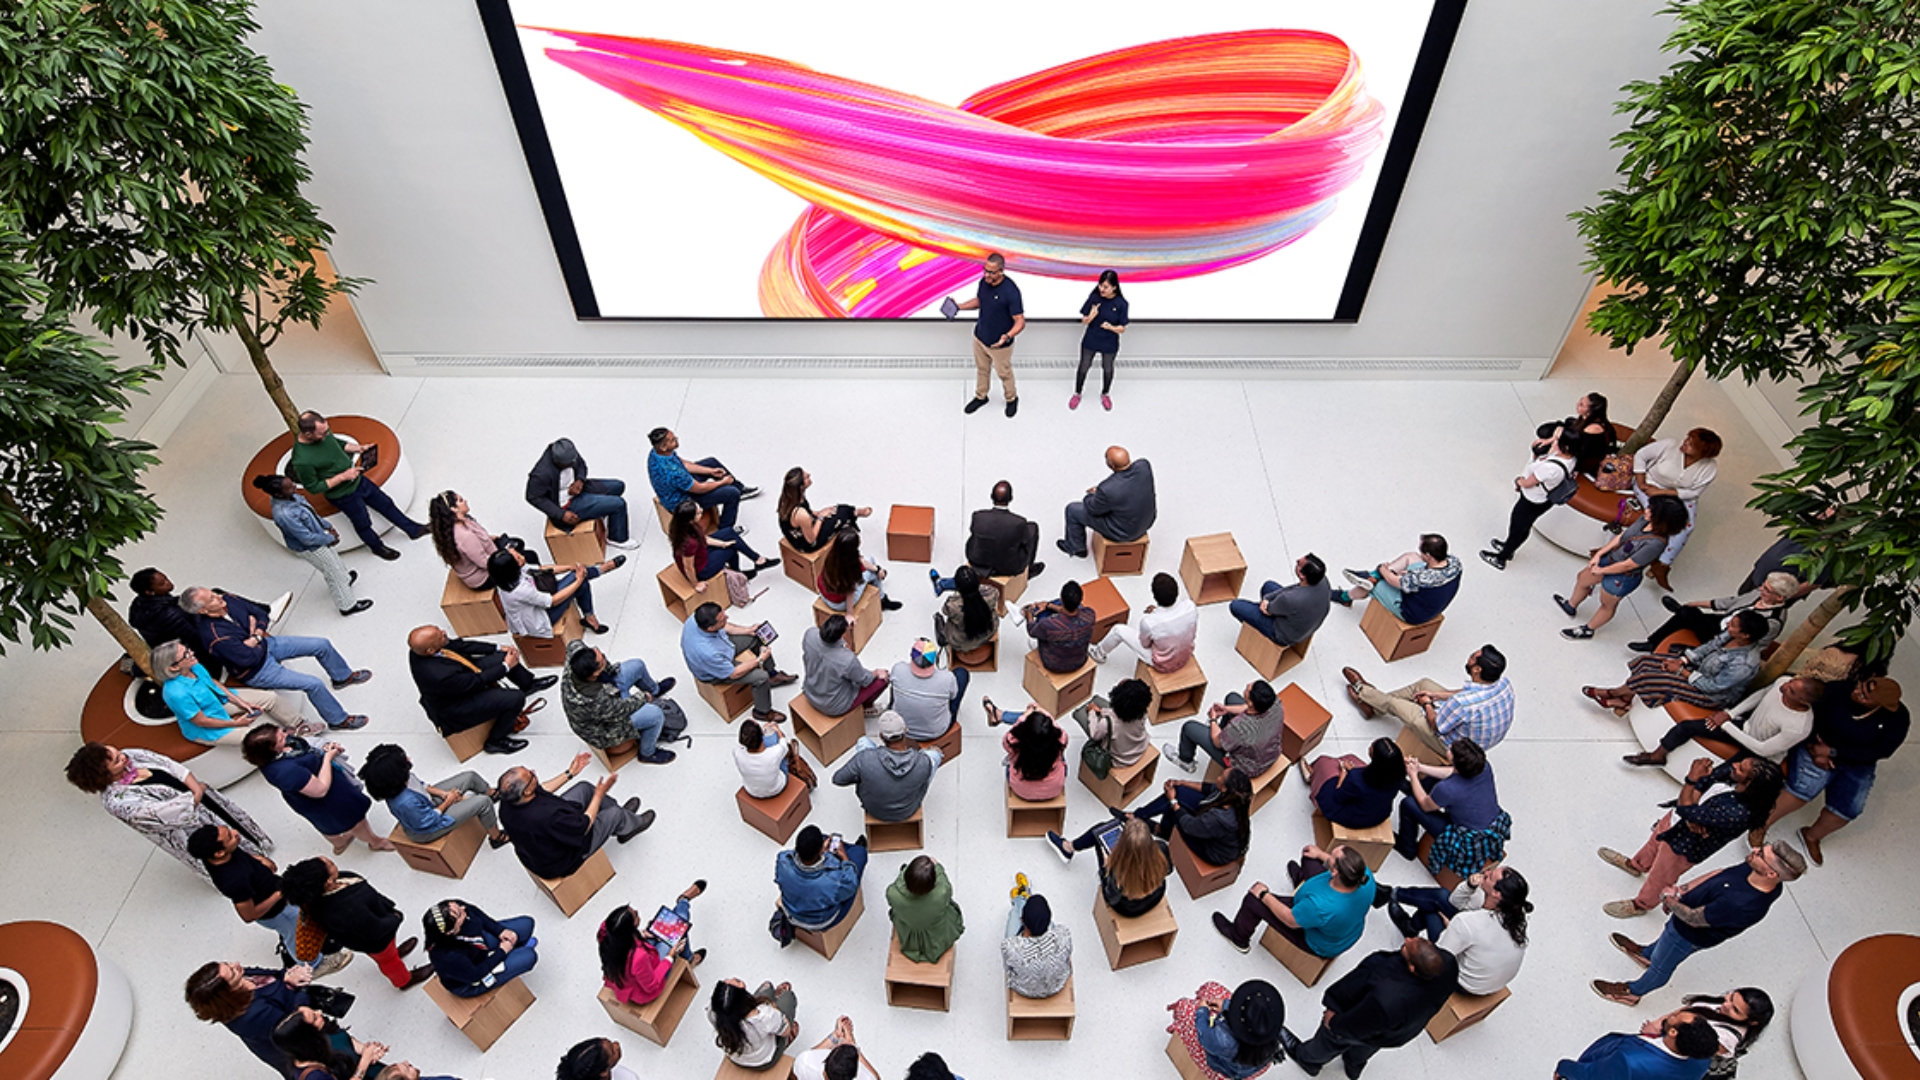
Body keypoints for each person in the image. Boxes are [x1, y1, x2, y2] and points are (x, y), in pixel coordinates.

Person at [1593, 841, 1806, 1005]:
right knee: (1665, 940)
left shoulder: (1742, 904)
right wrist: (1680, 891)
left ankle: (1633, 992)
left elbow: (1694, 919)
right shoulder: (1756, 870)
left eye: (1761, 854)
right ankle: (1646, 954)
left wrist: (1669, 900)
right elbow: (1719, 874)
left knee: (1662, 967)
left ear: (1771, 873)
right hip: (1680, 921)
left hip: (1688, 935)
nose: (1756, 848)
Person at [1598, 757, 1786, 918]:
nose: (1734, 765)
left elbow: (1690, 800)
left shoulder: (1739, 813)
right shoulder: (1729, 778)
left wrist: (1691, 784)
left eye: (1741, 768)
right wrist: (1691, 810)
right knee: (1652, 844)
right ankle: (1636, 865)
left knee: (1661, 877)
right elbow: (1702, 785)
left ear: (1750, 783)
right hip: (1674, 822)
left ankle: (1641, 904)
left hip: (1684, 846)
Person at [66, 742, 272, 882]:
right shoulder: (117, 801)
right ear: (103, 775)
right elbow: (163, 813)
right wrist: (194, 797)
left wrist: (195, 788)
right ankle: (253, 871)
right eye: (117, 761)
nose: (124, 757)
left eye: (117, 752)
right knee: (219, 847)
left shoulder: (131, 755)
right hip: (187, 826)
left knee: (230, 819)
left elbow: (169, 765)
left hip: (198, 796)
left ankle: (258, 845)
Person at [1763, 674, 1907, 865]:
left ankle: (1812, 836)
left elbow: (1881, 751)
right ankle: (1761, 825)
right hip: (1816, 743)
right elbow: (1807, 713)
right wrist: (1816, 750)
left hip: (1854, 759)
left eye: (1864, 696)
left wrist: (1833, 753)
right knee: (1805, 787)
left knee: (1850, 807)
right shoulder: (1838, 690)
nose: (1857, 692)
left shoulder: (1898, 720)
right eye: (1860, 686)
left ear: (1880, 705)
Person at [184, 585, 371, 729]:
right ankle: (338, 720)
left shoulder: (227, 599)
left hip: (265, 645)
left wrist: (254, 636)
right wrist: (254, 633)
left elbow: (261, 613)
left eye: (213, 593)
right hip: (257, 670)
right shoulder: (214, 636)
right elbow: (247, 659)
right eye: (212, 598)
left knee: (321, 644)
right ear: (202, 611)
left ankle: (342, 677)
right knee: (313, 684)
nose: (219, 596)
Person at [1277, 938, 1460, 1078]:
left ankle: (1308, 1060)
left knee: (1332, 1040)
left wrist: (1334, 1022)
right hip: (1398, 1031)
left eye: (1408, 947)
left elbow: (1354, 1021)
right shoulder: (1449, 965)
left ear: (1412, 968)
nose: (1407, 939)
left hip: (1364, 1020)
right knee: (1369, 1044)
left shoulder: (1385, 990)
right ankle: (1353, 1064)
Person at [189, 824, 349, 973]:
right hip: (277, 913)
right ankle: (313, 965)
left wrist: (259, 860)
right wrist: (281, 893)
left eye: (230, 831)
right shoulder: (233, 881)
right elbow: (249, 915)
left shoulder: (227, 853)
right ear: (219, 853)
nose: (235, 833)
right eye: (230, 837)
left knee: (307, 918)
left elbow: (242, 858)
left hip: (279, 892)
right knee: (295, 933)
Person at [287, 411, 427, 560]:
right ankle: (377, 547)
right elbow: (313, 487)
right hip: (343, 496)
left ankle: (413, 530)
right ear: (308, 434)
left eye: (327, 430)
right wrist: (343, 477)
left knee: (386, 504)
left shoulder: (324, 433)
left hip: (359, 479)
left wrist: (359, 448)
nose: (327, 434)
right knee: (363, 523)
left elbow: (337, 444)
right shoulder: (302, 461)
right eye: (322, 433)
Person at [279, 857, 432, 990]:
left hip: (376, 923)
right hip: (378, 941)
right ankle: (403, 980)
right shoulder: (344, 910)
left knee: (389, 953)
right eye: (330, 864)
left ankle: (394, 954)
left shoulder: (329, 887)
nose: (326, 860)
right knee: (387, 961)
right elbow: (375, 930)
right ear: (328, 882)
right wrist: (396, 918)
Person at [496, 753, 654, 879]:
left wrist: (570, 773)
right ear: (527, 791)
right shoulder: (546, 817)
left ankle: (623, 821)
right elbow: (583, 826)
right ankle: (629, 826)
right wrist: (598, 795)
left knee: (584, 788)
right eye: (531, 775)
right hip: (564, 857)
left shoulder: (508, 801)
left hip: (547, 839)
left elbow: (542, 789)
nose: (533, 771)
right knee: (614, 813)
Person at [1380, 864, 1531, 995]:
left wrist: (1451, 929)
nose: (1486, 873)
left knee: (1432, 912)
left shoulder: (1468, 923)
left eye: (1491, 876)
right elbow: (1454, 902)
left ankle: (1391, 900)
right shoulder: (1514, 913)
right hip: (1490, 981)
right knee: (1441, 897)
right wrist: (1469, 887)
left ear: (1496, 894)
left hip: (1463, 984)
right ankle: (1396, 902)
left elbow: (1439, 955)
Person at [1581, 611, 1767, 716]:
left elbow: (1714, 686)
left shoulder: (1744, 664)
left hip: (1711, 694)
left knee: (1651, 677)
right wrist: (1683, 660)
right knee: (1646, 660)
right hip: (1699, 671)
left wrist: (1681, 672)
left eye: (1733, 626)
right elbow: (1709, 647)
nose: (1728, 627)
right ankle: (1624, 698)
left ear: (1745, 636)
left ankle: (1613, 693)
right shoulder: (1731, 635)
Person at [1557, 495, 1692, 638]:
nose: (1646, 510)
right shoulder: (1644, 520)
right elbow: (1623, 536)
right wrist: (1600, 554)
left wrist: (1601, 570)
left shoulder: (1656, 544)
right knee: (1583, 578)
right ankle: (1571, 605)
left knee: (1606, 604)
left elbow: (1628, 565)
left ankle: (1588, 629)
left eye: (1651, 510)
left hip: (1623, 577)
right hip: (1611, 559)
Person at [243, 726, 393, 854]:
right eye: (281, 738)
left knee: (325, 823)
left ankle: (339, 843)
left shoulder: (272, 758)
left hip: (307, 799)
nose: (287, 736)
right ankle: (375, 842)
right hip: (328, 798)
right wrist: (328, 758)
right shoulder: (286, 772)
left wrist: (324, 748)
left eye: (282, 732)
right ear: (271, 750)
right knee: (355, 820)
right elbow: (320, 789)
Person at [1343, 646, 1514, 757]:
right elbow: (1470, 692)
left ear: (1477, 669)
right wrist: (1437, 695)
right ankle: (1373, 705)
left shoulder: (1462, 703)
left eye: (1472, 657)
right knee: (1423, 684)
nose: (1468, 658)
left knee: (1397, 705)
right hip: (1470, 735)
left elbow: (1436, 725)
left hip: (1452, 747)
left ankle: (1363, 691)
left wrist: (1427, 703)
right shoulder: (1503, 683)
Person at [1621, 674, 1821, 767]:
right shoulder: (1782, 682)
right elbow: (1761, 695)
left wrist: (1724, 724)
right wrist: (1730, 715)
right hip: (1744, 728)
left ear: (1803, 700)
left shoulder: (1799, 727)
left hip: (1759, 753)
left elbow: (1763, 749)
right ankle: (1657, 755)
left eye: (1791, 690)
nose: (1785, 687)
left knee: (1723, 775)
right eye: (1791, 682)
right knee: (1687, 726)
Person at [1212, 844, 1373, 959]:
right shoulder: (1365, 875)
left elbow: (1290, 919)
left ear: (1335, 872)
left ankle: (1238, 938)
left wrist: (1264, 895)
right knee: (1310, 856)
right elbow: (1328, 862)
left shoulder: (1321, 906)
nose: (1328, 856)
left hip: (1318, 940)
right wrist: (1320, 855)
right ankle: (1301, 883)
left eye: (1331, 856)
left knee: (1253, 900)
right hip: (1344, 926)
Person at [407, 624, 548, 755]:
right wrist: (506, 666)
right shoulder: (438, 675)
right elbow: (477, 681)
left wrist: (498, 648)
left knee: (502, 657)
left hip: (462, 675)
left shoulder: (422, 649)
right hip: (458, 705)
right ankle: (496, 740)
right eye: (440, 636)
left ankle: (528, 684)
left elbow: (461, 646)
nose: (444, 633)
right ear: (430, 650)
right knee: (515, 698)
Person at [151, 640, 318, 745]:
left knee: (270, 698)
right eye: (185, 654)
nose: (192, 653)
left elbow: (212, 683)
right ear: (173, 667)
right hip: (207, 726)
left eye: (187, 649)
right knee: (255, 737)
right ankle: (287, 747)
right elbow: (202, 721)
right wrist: (236, 724)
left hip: (219, 701)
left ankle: (299, 725)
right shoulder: (175, 693)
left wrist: (240, 702)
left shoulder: (194, 666)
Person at [254, 474, 373, 616]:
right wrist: (329, 538)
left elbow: (312, 514)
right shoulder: (284, 514)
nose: (294, 487)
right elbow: (307, 539)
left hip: (318, 538)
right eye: (290, 487)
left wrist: (327, 526)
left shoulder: (290, 497)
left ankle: (345, 580)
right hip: (310, 547)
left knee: (334, 561)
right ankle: (347, 605)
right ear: (279, 493)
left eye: (292, 483)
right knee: (332, 571)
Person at [1394, 738, 1510, 881]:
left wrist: (1413, 775)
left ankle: (1407, 847)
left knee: (1409, 804)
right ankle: (1416, 788)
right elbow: (1451, 772)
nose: (1449, 746)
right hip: (1488, 823)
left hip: (1466, 838)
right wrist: (1420, 768)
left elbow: (1425, 805)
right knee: (1432, 780)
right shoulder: (1483, 767)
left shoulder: (1448, 789)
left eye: (1451, 749)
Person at [184, 961, 323, 1078]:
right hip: (304, 1047)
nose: (236, 965)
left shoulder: (241, 977)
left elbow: (274, 975)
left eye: (228, 964)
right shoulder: (250, 1016)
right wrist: (301, 989)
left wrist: (287, 976)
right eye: (232, 972)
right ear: (228, 994)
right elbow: (297, 1024)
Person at [359, 744, 509, 848]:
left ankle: (493, 794)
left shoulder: (401, 778)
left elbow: (423, 786)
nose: (409, 759)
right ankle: (496, 838)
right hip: (428, 827)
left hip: (429, 804)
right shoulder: (405, 803)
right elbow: (428, 821)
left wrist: (445, 794)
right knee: (482, 803)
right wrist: (448, 801)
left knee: (469, 776)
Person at [1633, 428, 1723, 589]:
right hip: (1651, 484)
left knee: (1688, 526)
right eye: (1687, 438)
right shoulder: (1669, 445)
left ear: (1703, 453)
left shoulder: (1710, 468)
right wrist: (1641, 483)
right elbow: (1641, 455)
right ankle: (1640, 554)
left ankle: (1662, 564)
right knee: (1659, 516)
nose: (1685, 443)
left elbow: (1694, 491)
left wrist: (1664, 492)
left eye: (1691, 444)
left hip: (1680, 494)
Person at [564, 640, 679, 765]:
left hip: (606, 689)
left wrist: (608, 669)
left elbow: (573, 643)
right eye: (602, 660)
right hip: (603, 727)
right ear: (596, 673)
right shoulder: (594, 700)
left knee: (637, 665)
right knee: (655, 714)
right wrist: (643, 697)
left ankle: (654, 690)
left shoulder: (576, 652)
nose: (603, 655)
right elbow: (623, 708)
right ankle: (647, 753)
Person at [681, 603, 799, 723]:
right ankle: (762, 712)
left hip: (723, 647)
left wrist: (748, 631)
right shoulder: (706, 652)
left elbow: (726, 627)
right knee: (761, 677)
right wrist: (760, 659)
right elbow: (733, 673)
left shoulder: (696, 618)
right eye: (722, 619)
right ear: (711, 628)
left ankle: (772, 675)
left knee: (758, 637)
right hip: (716, 671)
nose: (727, 617)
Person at [1481, 432, 1581, 571]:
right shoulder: (1571, 460)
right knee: (1524, 526)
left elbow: (1528, 483)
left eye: (1557, 440)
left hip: (1532, 500)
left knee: (1518, 527)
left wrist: (1519, 481)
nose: (1554, 441)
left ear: (1565, 446)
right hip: (1543, 500)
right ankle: (1509, 547)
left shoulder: (1550, 468)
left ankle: (1501, 557)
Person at [1630, 573, 1798, 654]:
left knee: (1687, 615)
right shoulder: (1757, 593)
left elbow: (1757, 646)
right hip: (1723, 620)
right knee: (1688, 611)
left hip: (1727, 636)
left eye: (1767, 589)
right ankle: (1654, 641)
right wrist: (1695, 603)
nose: (1761, 589)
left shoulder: (1773, 621)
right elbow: (1729, 602)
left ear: (1780, 597)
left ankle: (1685, 621)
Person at [270, 1005, 451, 1079]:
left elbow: (346, 1040)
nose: (319, 1012)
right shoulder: (313, 1075)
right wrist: (363, 1062)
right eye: (314, 1018)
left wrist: (368, 1050)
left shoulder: (324, 1031)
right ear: (306, 1035)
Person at [600, 885, 709, 1007]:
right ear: (629, 930)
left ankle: (683, 901)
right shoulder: (638, 957)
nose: (637, 911)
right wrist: (670, 956)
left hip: (629, 972)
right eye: (635, 915)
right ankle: (683, 902)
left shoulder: (606, 934)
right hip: (644, 989)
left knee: (673, 929)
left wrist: (642, 934)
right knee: (678, 926)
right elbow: (651, 986)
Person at [1046, 814, 1172, 917]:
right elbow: (1169, 870)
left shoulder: (1116, 871)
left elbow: (1111, 897)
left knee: (1100, 833)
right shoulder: (1161, 848)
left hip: (1127, 908)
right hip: (1156, 896)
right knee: (1104, 828)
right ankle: (1069, 847)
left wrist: (1107, 868)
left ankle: (1068, 848)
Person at [488, 545, 622, 638]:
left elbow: (541, 569)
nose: (522, 556)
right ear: (511, 568)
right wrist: (578, 580)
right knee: (579, 582)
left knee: (578, 579)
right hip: (541, 618)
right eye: (518, 558)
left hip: (540, 601)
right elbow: (552, 601)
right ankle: (600, 570)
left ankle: (590, 618)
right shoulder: (520, 591)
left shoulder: (506, 577)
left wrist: (570, 567)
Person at [1129, 769, 1255, 868]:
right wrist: (1182, 783)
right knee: (1179, 791)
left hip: (1211, 851)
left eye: (1221, 777)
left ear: (1225, 788)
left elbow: (1189, 826)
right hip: (1211, 828)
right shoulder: (1232, 797)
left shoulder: (1219, 819)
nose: (1218, 777)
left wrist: (1173, 801)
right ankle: (1142, 817)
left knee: (1173, 810)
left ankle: (1157, 828)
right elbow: (1206, 788)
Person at [526, 436, 634, 549]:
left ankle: (604, 511)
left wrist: (580, 480)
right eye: (568, 464)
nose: (572, 464)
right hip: (566, 504)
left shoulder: (569, 452)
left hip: (579, 489)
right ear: (557, 462)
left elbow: (581, 465)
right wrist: (561, 514)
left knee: (618, 486)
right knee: (619, 504)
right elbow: (533, 497)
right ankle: (617, 538)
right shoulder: (541, 474)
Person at [1167, 979, 1286, 1080]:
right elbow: (1251, 1016)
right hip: (1250, 1063)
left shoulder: (1223, 1041)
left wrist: (1202, 1010)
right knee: (1211, 988)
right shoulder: (1268, 1027)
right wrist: (1225, 1005)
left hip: (1223, 1069)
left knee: (1184, 1008)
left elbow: (1204, 1034)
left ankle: (1180, 1029)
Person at [832, 712, 940, 822]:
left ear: (881, 736)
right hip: (908, 810)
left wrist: (865, 774)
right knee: (935, 755)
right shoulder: (923, 761)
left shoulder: (864, 759)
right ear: (906, 731)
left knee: (863, 741)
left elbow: (838, 779)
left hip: (874, 810)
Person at [1164, 681, 1285, 777]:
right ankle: (1221, 730)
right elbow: (1246, 708)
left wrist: (1213, 720)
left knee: (1189, 728)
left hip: (1248, 768)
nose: (1248, 685)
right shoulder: (1275, 704)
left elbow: (1217, 742)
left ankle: (1185, 761)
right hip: (1270, 752)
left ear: (1252, 703)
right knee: (1232, 697)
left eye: (1249, 689)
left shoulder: (1241, 728)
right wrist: (1226, 709)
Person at [953, 253, 1024, 416]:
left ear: (1001, 271)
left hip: (1000, 344)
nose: (987, 275)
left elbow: (1020, 321)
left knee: (1004, 374)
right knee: (982, 370)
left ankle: (1011, 399)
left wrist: (1007, 336)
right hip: (980, 337)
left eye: (991, 272)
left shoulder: (1011, 291)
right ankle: (981, 396)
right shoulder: (984, 282)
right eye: (985, 270)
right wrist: (959, 307)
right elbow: (980, 300)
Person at [422, 899, 539, 997]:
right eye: (460, 914)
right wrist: (502, 952)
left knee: (526, 924)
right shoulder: (448, 957)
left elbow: (474, 911)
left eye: (459, 907)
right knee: (529, 956)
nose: (463, 909)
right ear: (450, 931)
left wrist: (499, 930)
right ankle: (515, 952)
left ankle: (516, 949)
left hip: (477, 946)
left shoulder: (453, 908)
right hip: (472, 979)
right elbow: (476, 974)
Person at [1334, 535, 1462, 622]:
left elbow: (1393, 580)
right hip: (1429, 600)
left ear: (1428, 556)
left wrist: (1382, 569)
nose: (1420, 552)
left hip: (1413, 612)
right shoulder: (1455, 563)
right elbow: (1425, 576)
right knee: (1410, 557)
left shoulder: (1419, 578)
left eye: (1421, 551)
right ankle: (1371, 577)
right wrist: (1405, 574)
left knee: (1378, 583)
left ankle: (1345, 597)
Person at [646, 427, 757, 527]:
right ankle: (725, 529)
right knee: (732, 493)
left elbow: (683, 464)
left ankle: (739, 488)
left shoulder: (657, 453)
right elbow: (699, 488)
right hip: (684, 501)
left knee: (711, 462)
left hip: (679, 487)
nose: (676, 439)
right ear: (663, 446)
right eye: (673, 440)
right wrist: (723, 482)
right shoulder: (673, 472)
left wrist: (711, 471)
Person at [1059, 445, 1156, 557]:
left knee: (1072, 510)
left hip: (1123, 532)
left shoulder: (1107, 489)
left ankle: (1076, 548)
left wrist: (1091, 496)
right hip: (1146, 522)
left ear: (1111, 465)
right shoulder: (1144, 466)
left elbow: (1093, 509)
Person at [1556, 1015, 1721, 1080]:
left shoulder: (1628, 1060)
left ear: (1673, 1032)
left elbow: (1591, 1075)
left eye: (1676, 1017)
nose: (1672, 1015)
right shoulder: (1701, 1060)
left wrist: (1564, 1067)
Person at [1091, 571, 1197, 670]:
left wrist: (1154, 619)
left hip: (1163, 664)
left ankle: (1098, 654)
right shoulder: (1190, 607)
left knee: (1118, 630)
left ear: (1154, 596)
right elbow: (1174, 621)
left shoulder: (1149, 623)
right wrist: (1156, 612)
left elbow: (1145, 644)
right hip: (1185, 656)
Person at [128, 568, 221, 676]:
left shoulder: (141, 603)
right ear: (149, 592)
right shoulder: (168, 614)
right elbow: (195, 637)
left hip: (164, 647)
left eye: (165, 578)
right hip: (189, 656)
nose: (168, 582)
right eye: (162, 583)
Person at [776, 825, 868, 932]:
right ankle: (854, 848)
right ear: (821, 851)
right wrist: (845, 858)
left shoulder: (782, 860)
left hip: (791, 911)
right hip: (820, 921)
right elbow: (851, 885)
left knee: (824, 837)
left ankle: (845, 848)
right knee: (859, 853)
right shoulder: (833, 881)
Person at [1229, 555, 1332, 647]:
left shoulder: (1291, 599)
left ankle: (1257, 630)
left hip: (1284, 635)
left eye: (1299, 564)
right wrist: (1267, 598)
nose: (1296, 560)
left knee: (1235, 606)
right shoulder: (1322, 579)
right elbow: (1290, 589)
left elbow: (1267, 610)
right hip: (1304, 622)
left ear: (1302, 575)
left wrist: (1266, 604)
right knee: (1268, 586)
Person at [671, 499, 778, 588]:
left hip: (700, 552)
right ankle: (738, 575)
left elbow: (704, 538)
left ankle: (758, 560)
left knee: (728, 532)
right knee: (731, 549)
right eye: (699, 513)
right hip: (701, 569)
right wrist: (696, 584)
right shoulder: (689, 543)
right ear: (690, 520)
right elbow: (689, 567)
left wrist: (722, 543)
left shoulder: (685, 527)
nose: (702, 511)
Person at [1306, 736, 1405, 830]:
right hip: (1380, 814)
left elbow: (1338, 795)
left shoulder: (1356, 779)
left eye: (1372, 746)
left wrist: (1344, 773)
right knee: (1352, 759)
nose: (1370, 746)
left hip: (1356, 818)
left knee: (1326, 771)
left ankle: (1311, 775)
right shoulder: (1398, 776)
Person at [802, 615, 890, 717]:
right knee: (883, 679)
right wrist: (877, 672)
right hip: (834, 706)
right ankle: (867, 708)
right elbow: (865, 680)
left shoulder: (810, 634)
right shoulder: (847, 659)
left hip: (810, 693)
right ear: (842, 634)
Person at [1678, 988, 1775, 1077]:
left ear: (1751, 1022)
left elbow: (1691, 1046)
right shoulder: (1723, 1005)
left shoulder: (1727, 1038)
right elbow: (1685, 1012)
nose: (1726, 1005)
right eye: (1731, 997)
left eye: (1735, 1010)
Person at [959, 479, 1045, 581]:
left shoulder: (978, 517)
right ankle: (1029, 569)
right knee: (1032, 528)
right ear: (1011, 498)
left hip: (978, 561)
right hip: (1009, 567)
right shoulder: (1018, 522)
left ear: (991, 496)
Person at [1002, 876, 1072, 998]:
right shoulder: (1064, 934)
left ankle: (1020, 899)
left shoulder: (1010, 948)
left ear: (1022, 921)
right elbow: (1067, 959)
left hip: (1023, 989)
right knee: (1038, 915)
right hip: (1057, 985)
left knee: (1015, 912)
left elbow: (1009, 970)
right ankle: (1025, 896)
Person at [709, 978, 801, 1071]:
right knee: (788, 996)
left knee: (767, 986)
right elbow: (786, 1031)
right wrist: (773, 1010)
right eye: (738, 982)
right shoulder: (763, 1016)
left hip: (737, 1058)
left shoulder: (713, 1013)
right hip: (764, 1060)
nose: (730, 979)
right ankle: (784, 1042)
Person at [887, 854, 966, 963]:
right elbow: (943, 880)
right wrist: (937, 866)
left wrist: (907, 871)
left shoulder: (892, 893)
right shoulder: (942, 892)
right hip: (937, 934)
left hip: (909, 932)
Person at [890, 639, 970, 743]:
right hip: (937, 731)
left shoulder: (898, 669)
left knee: (894, 685)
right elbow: (953, 696)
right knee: (961, 673)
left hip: (901, 729)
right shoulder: (946, 678)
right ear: (935, 659)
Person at [427, 490, 509, 589]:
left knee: (509, 543)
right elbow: (485, 563)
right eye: (461, 500)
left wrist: (489, 539)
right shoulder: (464, 536)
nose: (465, 501)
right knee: (516, 550)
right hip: (483, 577)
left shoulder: (456, 524)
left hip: (482, 560)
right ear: (453, 509)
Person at [1073, 269, 1129, 410]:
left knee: (1108, 369)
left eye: (1106, 287)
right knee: (1083, 367)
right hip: (1091, 339)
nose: (1101, 289)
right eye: (1100, 285)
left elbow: (1122, 328)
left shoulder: (1122, 304)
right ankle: (1077, 393)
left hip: (1109, 342)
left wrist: (1111, 327)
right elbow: (1084, 321)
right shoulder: (1094, 298)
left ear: (1114, 287)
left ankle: (1105, 394)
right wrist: (1091, 316)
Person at [777, 467, 868, 553]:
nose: (809, 475)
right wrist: (820, 517)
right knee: (840, 513)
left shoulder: (789, 498)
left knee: (832, 511)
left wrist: (817, 513)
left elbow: (807, 511)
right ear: (801, 486)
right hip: (807, 543)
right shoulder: (801, 514)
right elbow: (811, 540)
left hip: (799, 531)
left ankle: (853, 513)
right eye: (806, 477)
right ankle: (855, 513)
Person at [1535, 391, 1618, 476]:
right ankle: (1559, 433)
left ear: (1589, 412)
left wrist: (1557, 447)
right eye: (1580, 400)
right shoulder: (1589, 418)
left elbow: (1581, 452)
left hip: (1582, 456)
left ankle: (1559, 435)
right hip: (1576, 440)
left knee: (1539, 448)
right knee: (1545, 430)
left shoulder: (1593, 429)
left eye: (1581, 404)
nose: (1577, 404)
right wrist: (1553, 439)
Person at [817, 527, 900, 611]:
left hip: (825, 594)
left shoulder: (834, 554)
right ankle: (882, 599)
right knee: (873, 574)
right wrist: (850, 614)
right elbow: (850, 591)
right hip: (839, 604)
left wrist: (878, 569)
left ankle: (878, 576)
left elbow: (861, 560)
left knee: (870, 560)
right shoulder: (851, 568)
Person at [997, 704, 1069, 800]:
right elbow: (1056, 727)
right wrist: (1045, 712)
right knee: (1060, 753)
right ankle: (1000, 716)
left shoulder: (1012, 740)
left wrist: (1024, 716)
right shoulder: (1061, 738)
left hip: (1020, 790)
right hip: (1053, 790)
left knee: (1013, 754)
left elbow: (1010, 735)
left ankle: (1000, 716)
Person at [1022, 580, 1096, 673]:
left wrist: (1028, 614)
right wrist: (1048, 605)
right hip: (1080, 661)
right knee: (1054, 606)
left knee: (1041, 617)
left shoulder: (1049, 625)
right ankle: (1045, 607)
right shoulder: (1090, 614)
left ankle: (1036, 610)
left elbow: (1031, 631)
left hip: (1053, 664)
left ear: (1061, 599)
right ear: (1081, 599)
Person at [1079, 677, 1153, 769]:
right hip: (1140, 747)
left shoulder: (1107, 723)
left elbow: (1094, 735)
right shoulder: (1142, 714)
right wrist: (1102, 711)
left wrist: (1091, 713)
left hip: (1120, 760)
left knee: (1081, 717)